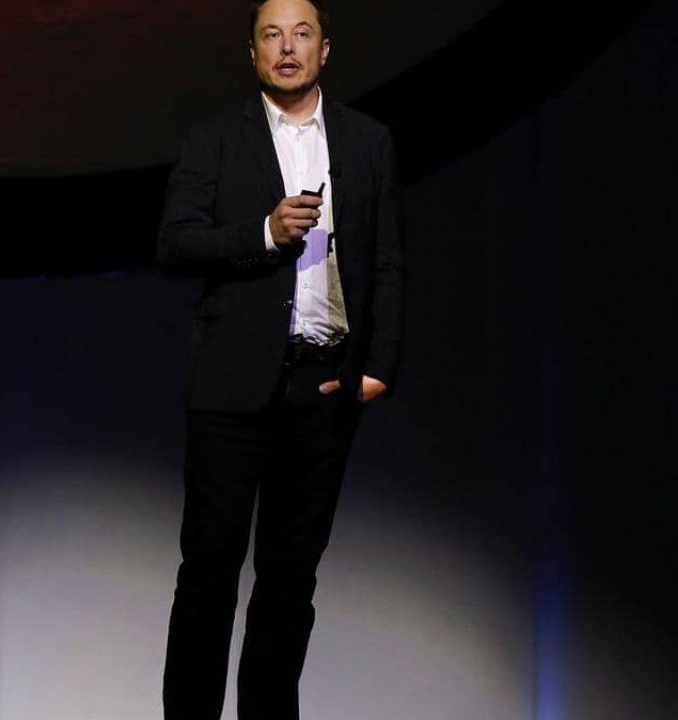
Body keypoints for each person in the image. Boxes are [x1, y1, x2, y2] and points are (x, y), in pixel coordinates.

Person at [156, 0, 405, 717]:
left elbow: (388, 259)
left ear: (325, 49)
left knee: (291, 579)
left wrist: (378, 363)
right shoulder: (215, 138)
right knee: (209, 571)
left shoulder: (367, 140)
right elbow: (175, 244)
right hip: (231, 388)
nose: (287, 47)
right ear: (253, 52)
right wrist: (263, 234)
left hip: (323, 384)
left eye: (302, 34)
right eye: (272, 35)